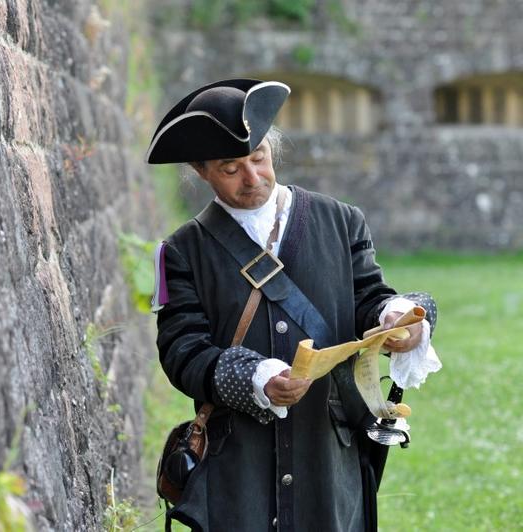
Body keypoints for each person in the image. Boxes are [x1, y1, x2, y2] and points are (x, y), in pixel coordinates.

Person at [147, 79, 441, 531]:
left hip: (329, 453)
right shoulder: (181, 251)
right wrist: (256, 377)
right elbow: (181, 351)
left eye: (259, 158)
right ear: (200, 169)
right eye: (230, 168)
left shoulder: (343, 221)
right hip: (238, 463)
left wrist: (399, 319)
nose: (253, 177)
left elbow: (371, 299)